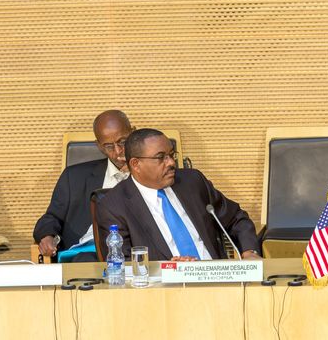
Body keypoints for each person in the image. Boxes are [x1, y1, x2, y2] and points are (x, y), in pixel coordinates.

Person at [96, 128, 260, 261]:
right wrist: (167, 269)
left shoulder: (192, 182)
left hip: (215, 276)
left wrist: (249, 251)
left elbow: (236, 218)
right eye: (161, 158)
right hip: (164, 292)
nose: (171, 163)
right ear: (136, 164)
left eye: (172, 155)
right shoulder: (113, 206)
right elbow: (121, 264)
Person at [33, 110, 133, 262]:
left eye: (123, 142)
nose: (118, 151)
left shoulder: (153, 173)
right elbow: (51, 218)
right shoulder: (74, 177)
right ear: (99, 146)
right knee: (85, 262)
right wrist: (47, 236)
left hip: (136, 250)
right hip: (88, 254)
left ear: (133, 133)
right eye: (109, 146)